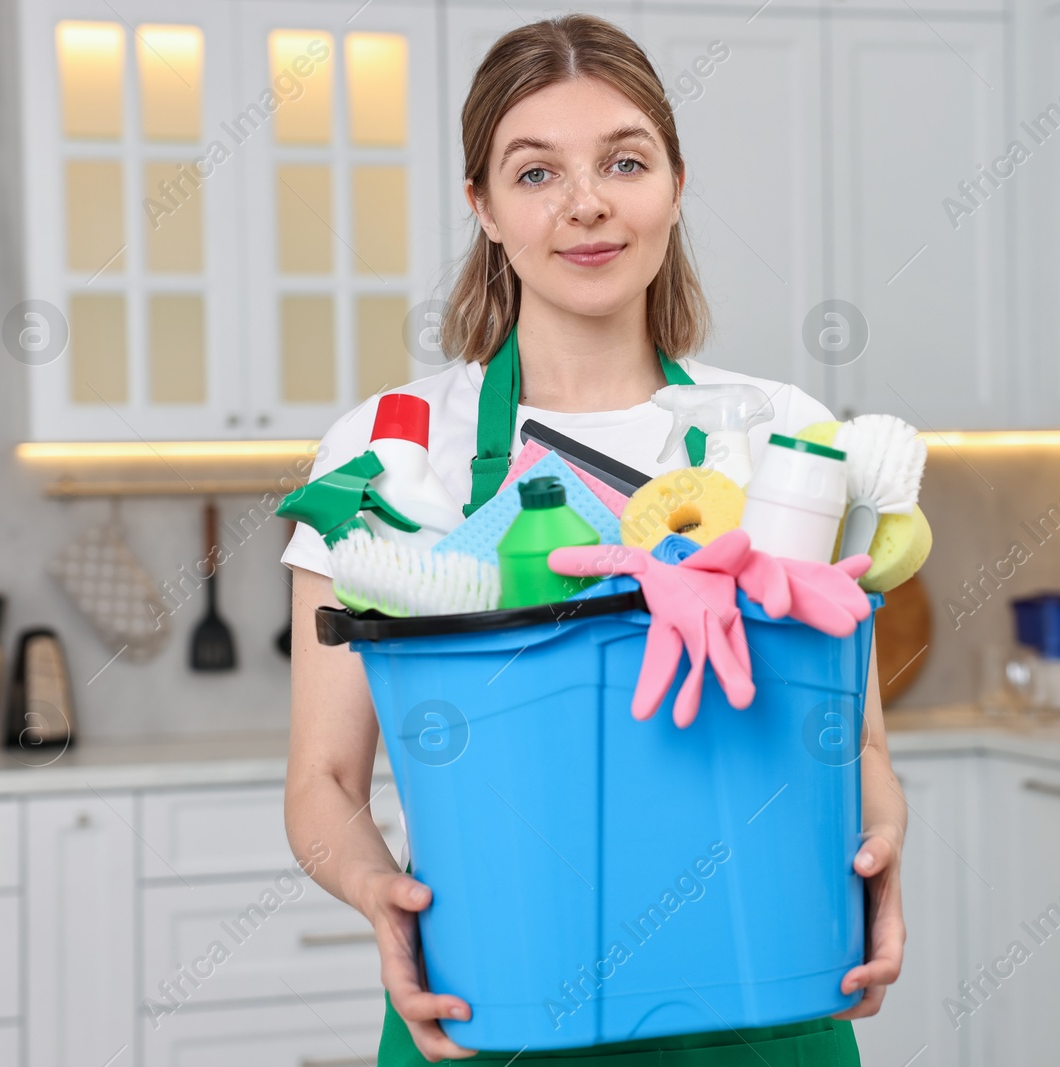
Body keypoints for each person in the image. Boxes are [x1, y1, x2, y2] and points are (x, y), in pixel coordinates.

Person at [282, 13, 907, 1064]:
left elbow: (856, 740)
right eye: (534, 174)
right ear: (480, 205)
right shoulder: (394, 452)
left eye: (625, 160)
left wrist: (881, 842)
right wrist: (376, 893)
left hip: (767, 995)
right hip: (502, 1007)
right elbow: (323, 781)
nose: (587, 204)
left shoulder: (783, 435)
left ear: (673, 182)